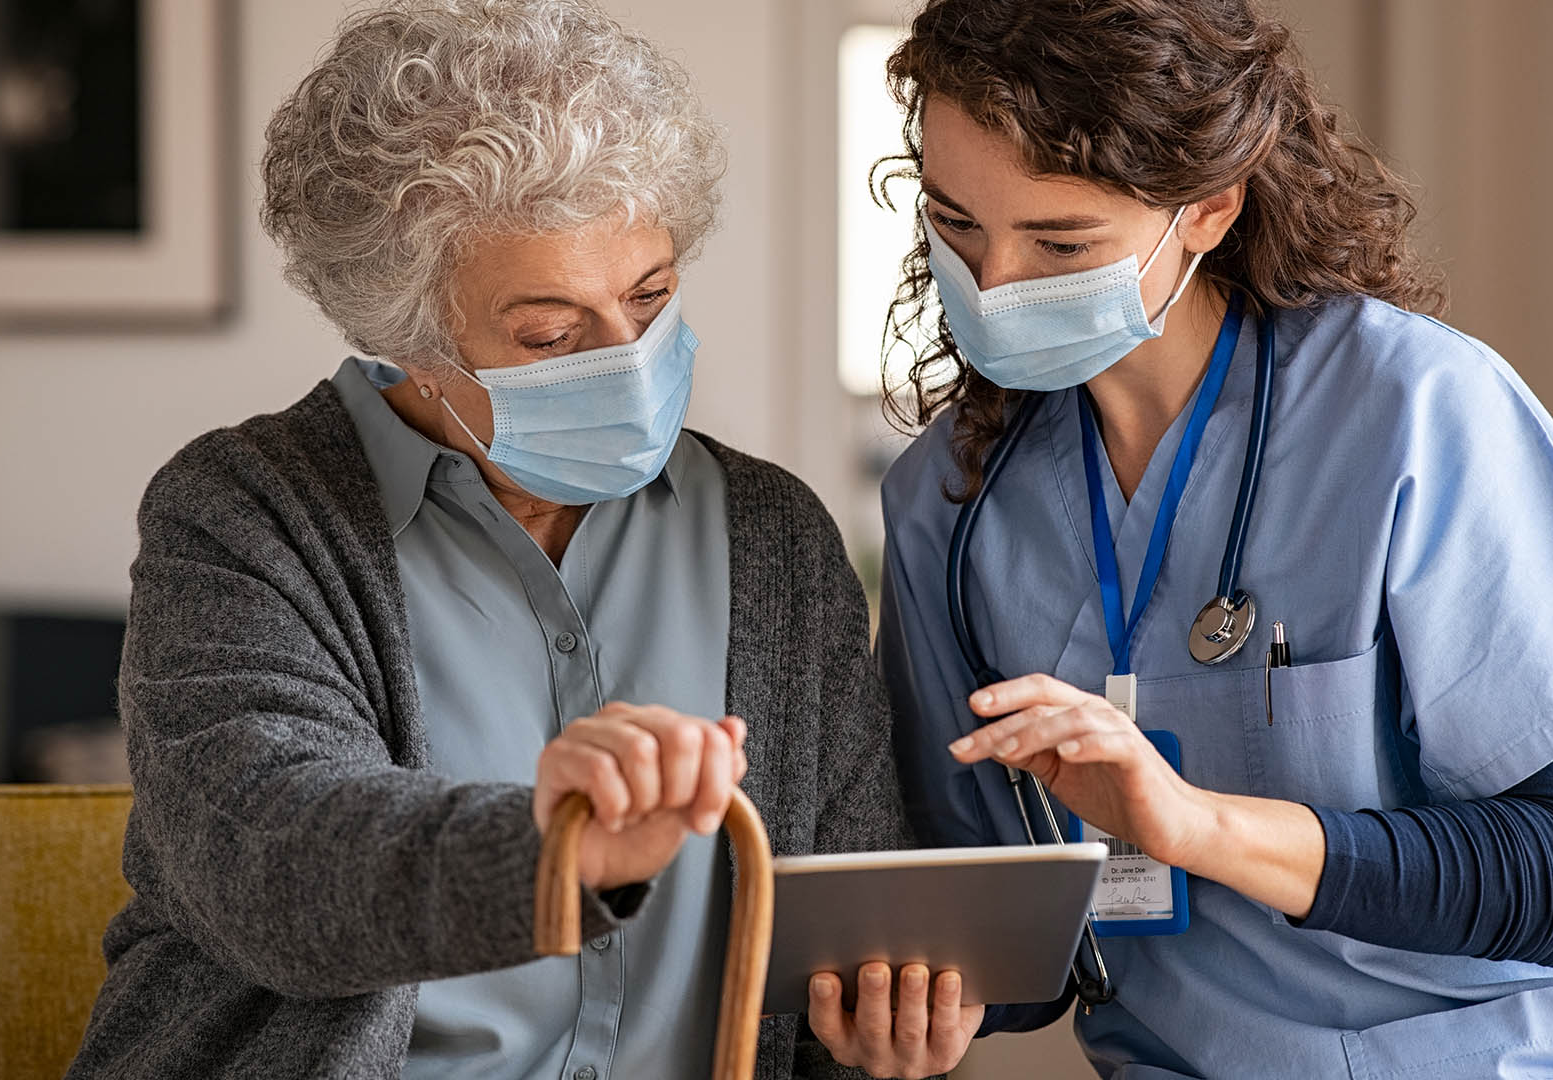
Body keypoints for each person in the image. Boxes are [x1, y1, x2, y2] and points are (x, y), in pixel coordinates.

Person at [64, 3, 974, 1078]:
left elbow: (836, 926)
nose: (629, 360)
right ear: (402, 340)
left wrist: (886, 1035)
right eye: (549, 334)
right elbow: (269, 861)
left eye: (651, 298)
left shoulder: (773, 535)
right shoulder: (243, 515)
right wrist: (559, 853)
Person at [871, 1, 1553, 1078]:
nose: (992, 286)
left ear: (1209, 208)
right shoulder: (948, 505)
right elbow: (1010, 940)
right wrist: (918, 1003)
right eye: (956, 223)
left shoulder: (1417, 412)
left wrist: (1193, 824)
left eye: (1062, 242)